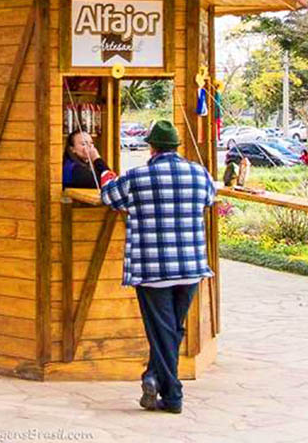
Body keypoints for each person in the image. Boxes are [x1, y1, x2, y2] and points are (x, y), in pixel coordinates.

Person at [100, 120, 216, 414]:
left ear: (151, 147)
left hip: (153, 270)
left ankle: (173, 395)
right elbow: (210, 199)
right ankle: (152, 377)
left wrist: (104, 175)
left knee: (163, 331)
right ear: (176, 146)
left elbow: (109, 197)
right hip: (191, 267)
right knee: (172, 330)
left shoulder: (138, 177)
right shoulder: (199, 173)